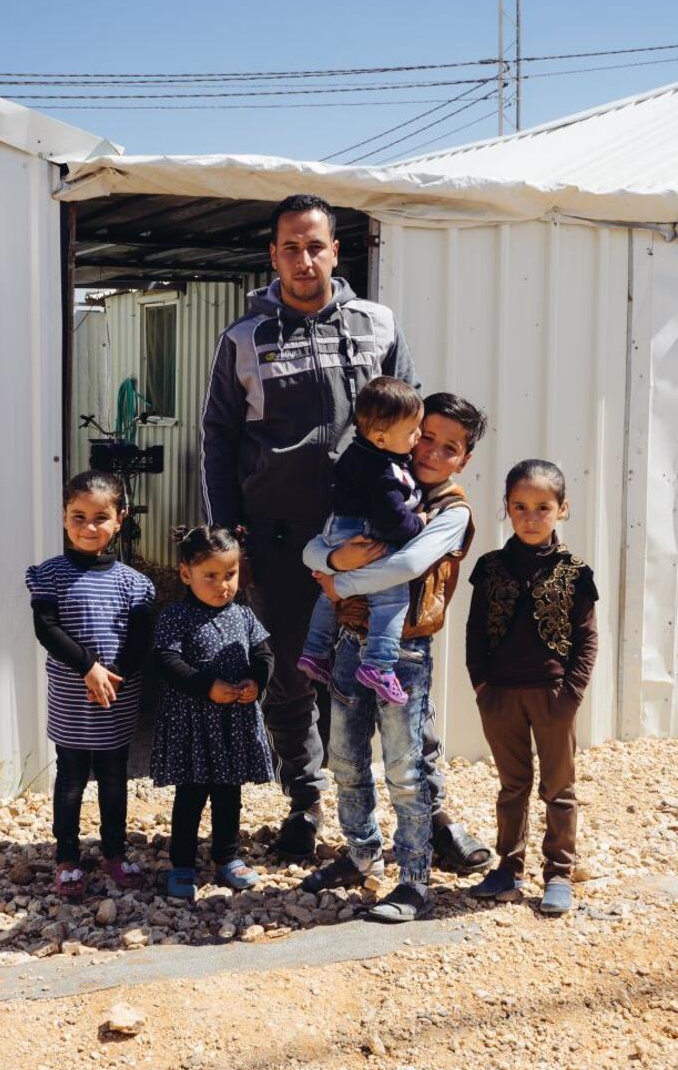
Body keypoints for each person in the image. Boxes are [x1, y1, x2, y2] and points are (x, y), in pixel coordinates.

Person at [200, 193, 416, 859]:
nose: (303, 259)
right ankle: (306, 801)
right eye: (290, 247)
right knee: (293, 675)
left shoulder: (378, 325)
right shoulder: (243, 339)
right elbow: (217, 440)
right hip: (281, 538)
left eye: (315, 245)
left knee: (371, 674)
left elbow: (410, 422)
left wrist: (424, 520)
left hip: (367, 537)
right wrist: (228, 540)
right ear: (273, 255)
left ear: (336, 250)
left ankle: (400, 809)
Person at [299, 394, 491, 921]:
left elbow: (407, 563)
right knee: (344, 760)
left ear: (464, 459)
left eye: (449, 447)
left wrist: (340, 581)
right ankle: (362, 854)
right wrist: (331, 559)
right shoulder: (377, 477)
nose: (431, 451)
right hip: (349, 642)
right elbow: (314, 545)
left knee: (405, 770)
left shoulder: (451, 510)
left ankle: (414, 880)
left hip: (402, 653)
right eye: (425, 436)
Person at [464, 459, 599, 917]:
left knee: (558, 788)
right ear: (506, 508)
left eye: (543, 507)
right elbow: (475, 633)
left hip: (553, 695)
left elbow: (586, 636)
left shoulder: (575, 572)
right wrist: (482, 687)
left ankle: (559, 871)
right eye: (520, 506)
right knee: (512, 786)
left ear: (563, 510)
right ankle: (508, 867)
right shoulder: (490, 567)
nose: (531, 516)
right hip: (501, 694)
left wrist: (572, 694)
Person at [25, 471, 155, 900]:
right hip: (72, 700)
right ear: (64, 518)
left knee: (115, 779)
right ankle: (67, 856)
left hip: (115, 699)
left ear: (120, 520)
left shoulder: (135, 584)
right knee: (71, 780)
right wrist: (89, 668)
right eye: (78, 516)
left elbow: (139, 643)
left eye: (101, 517)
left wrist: (111, 675)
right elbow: (47, 630)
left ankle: (113, 852)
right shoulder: (50, 576)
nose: (89, 527)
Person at [150, 525, 275, 901]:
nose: (223, 585)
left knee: (228, 795)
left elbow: (264, 654)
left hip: (233, 725)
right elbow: (165, 660)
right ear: (186, 573)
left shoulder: (243, 614)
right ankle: (183, 864)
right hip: (193, 724)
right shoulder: (176, 616)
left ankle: (227, 858)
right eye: (211, 576)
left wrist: (256, 682)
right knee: (190, 797)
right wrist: (206, 686)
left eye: (230, 574)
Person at [298, 377, 425, 705]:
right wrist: (419, 522)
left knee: (330, 593)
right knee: (391, 598)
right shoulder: (384, 471)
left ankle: (314, 651)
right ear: (382, 438)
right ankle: (379, 665)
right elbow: (392, 519)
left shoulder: (357, 452)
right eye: (413, 432)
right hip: (364, 533)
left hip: (337, 527)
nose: (419, 437)